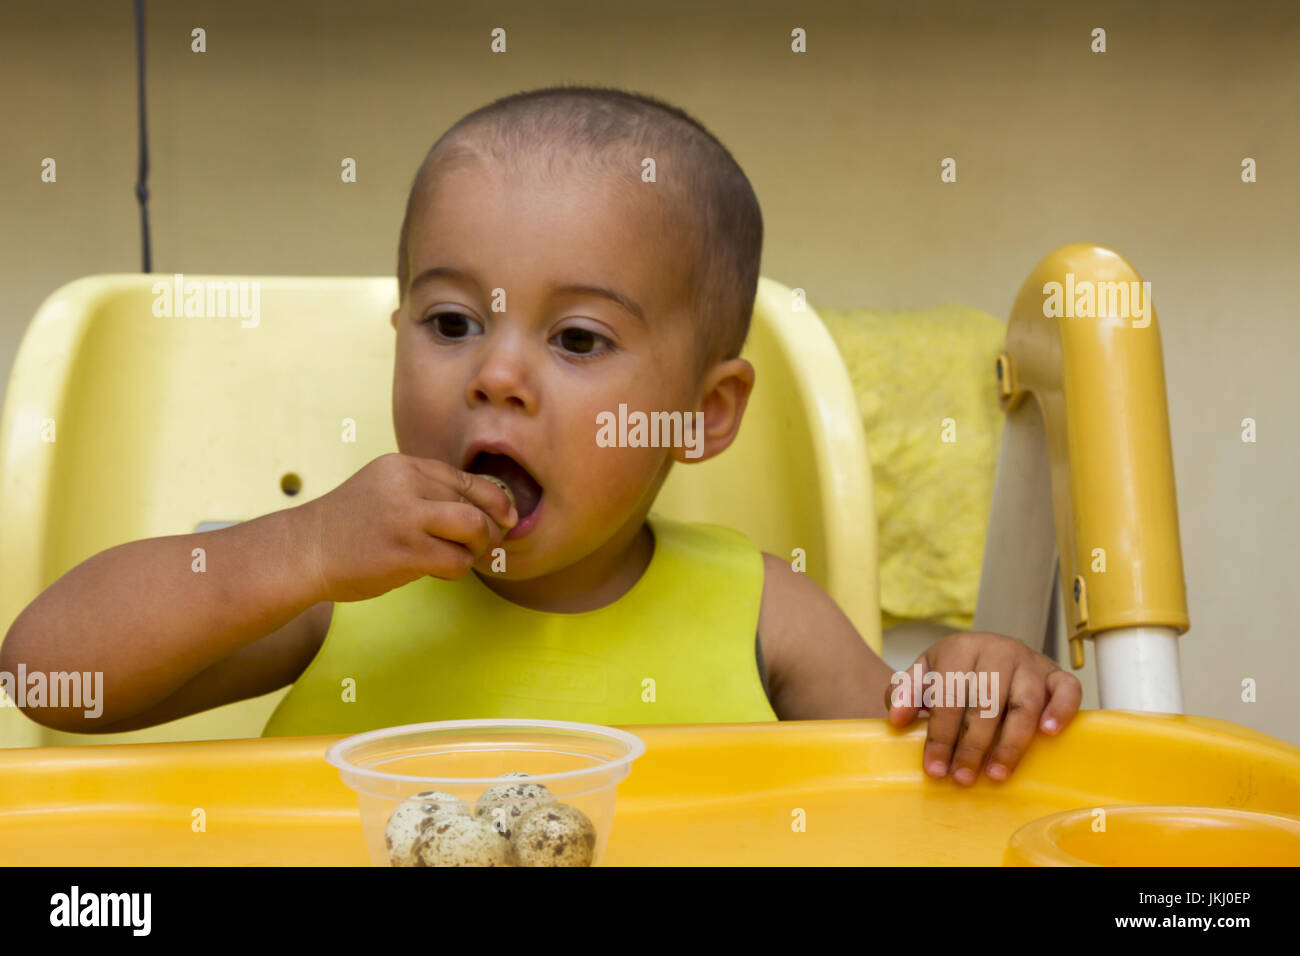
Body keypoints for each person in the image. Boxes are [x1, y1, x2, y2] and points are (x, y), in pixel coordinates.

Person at [1, 85, 1079, 786]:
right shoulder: (338, 583)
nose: (496, 375)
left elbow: (903, 796)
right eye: (451, 322)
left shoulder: (763, 613)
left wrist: (969, 687)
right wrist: (292, 549)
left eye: (574, 337)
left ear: (703, 413)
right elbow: (44, 676)